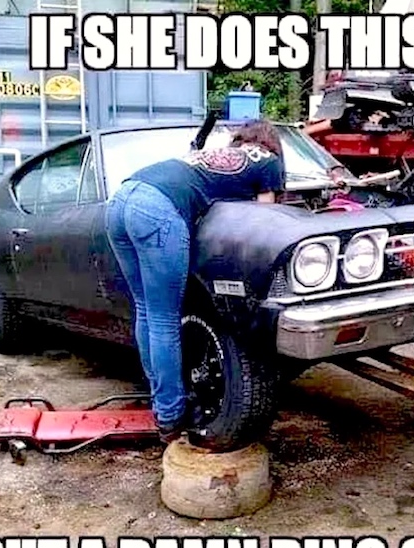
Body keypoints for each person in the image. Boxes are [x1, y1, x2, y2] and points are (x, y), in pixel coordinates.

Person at [105, 120, 286, 444]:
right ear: (271, 143)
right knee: (165, 319)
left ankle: (161, 397)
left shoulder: (214, 154)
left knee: (146, 311)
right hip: (157, 209)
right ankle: (170, 416)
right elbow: (266, 219)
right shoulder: (269, 161)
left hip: (121, 200)